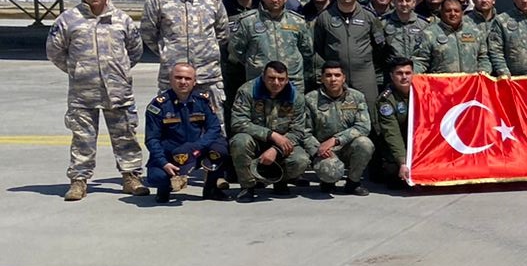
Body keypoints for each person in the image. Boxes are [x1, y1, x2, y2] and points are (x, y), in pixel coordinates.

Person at [47, 0, 148, 199]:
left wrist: (118, 71)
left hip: (118, 91)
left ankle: (131, 177)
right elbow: (55, 51)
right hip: (83, 92)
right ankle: (79, 181)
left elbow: (135, 50)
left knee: (125, 135)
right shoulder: (68, 20)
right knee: (82, 138)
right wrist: (78, 70)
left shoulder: (122, 20)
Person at [141, 0, 229, 122]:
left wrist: (206, 52)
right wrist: (167, 51)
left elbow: (222, 34)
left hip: (207, 77)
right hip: (173, 77)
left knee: (214, 126)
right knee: (171, 126)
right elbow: (148, 33)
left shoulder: (213, 0)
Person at [143, 61, 226, 203]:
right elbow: (152, 139)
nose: (183, 82)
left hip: (195, 151)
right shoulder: (158, 105)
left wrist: (197, 147)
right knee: (157, 177)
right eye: (178, 77)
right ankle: (165, 188)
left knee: (220, 148)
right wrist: (163, 163)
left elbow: (214, 128)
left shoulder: (202, 101)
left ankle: (211, 189)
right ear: (170, 80)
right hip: (170, 154)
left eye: (188, 78)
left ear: (194, 82)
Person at [229, 60, 312, 199]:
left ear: (286, 80)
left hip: (281, 145)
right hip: (255, 142)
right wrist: (271, 135)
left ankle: (280, 181)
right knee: (239, 141)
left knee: (301, 160)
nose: (276, 83)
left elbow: (298, 131)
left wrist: (276, 149)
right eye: (271, 78)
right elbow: (238, 123)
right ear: (263, 77)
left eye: (281, 79)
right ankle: (248, 186)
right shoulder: (247, 91)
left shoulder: (296, 98)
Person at [311, 0, 382, 116]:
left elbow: (380, 47)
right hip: (336, 76)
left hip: (364, 75)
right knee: (336, 114)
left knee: (370, 112)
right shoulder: (325, 18)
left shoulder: (369, 17)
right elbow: (317, 49)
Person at [302, 61, 373, 195]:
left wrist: (336, 140)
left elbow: (363, 126)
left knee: (365, 144)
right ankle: (328, 182)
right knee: (329, 171)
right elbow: (305, 132)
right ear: (322, 78)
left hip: (347, 146)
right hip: (323, 149)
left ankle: (353, 183)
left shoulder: (356, 97)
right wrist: (318, 149)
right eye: (328, 75)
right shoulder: (310, 99)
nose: (333, 79)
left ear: (343, 78)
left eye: (337, 75)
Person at [230, 0, 314, 89]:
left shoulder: (297, 22)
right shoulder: (248, 21)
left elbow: (307, 51)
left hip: (291, 81)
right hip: (259, 81)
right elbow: (236, 51)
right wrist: (255, 63)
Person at [415, 0, 491, 73]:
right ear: (441, 12)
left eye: (457, 11)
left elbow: (483, 58)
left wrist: (484, 71)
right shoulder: (429, 33)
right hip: (442, 82)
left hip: (469, 82)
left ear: (462, 13)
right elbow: (420, 62)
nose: (453, 14)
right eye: (448, 11)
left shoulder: (475, 32)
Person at [222, 0, 259, 117]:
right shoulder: (223, 7)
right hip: (232, 68)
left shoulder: (263, 5)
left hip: (257, 66)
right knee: (232, 105)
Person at [372, 58, 413, 187]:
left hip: (417, 142)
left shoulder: (423, 92)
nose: (404, 77)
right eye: (399, 73)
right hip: (396, 145)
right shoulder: (386, 101)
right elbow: (392, 133)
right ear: (391, 76)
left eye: (408, 73)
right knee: (396, 177)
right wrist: (403, 162)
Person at [379, 0, 433, 71]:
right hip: (392, 73)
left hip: (418, 72)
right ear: (393, 2)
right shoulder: (383, 23)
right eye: (400, 0)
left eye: (407, 0)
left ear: (414, 2)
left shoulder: (424, 24)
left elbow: (428, 51)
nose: (404, 4)